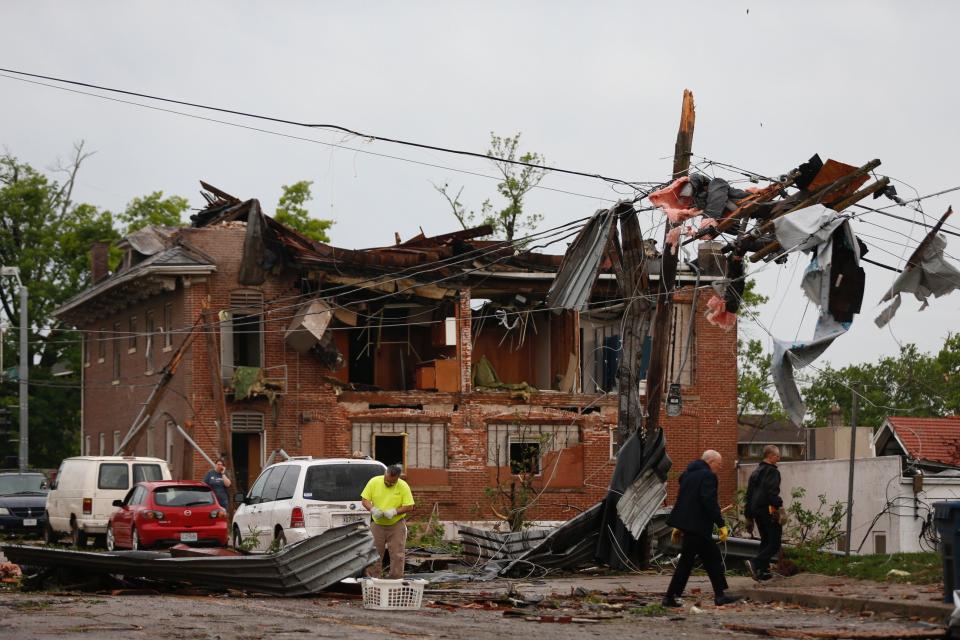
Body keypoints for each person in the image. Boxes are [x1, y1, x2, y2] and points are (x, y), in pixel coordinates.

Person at [662, 450, 740, 608]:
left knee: (698, 560)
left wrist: (679, 525)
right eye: (719, 465)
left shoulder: (687, 475)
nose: (720, 468)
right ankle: (719, 596)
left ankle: (672, 596)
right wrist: (721, 523)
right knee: (707, 560)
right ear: (710, 462)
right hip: (699, 527)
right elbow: (708, 501)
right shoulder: (708, 476)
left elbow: (684, 500)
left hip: (689, 526)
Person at [360, 464, 415, 579]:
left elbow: (409, 506)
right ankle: (373, 580)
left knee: (397, 554)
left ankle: (395, 580)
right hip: (377, 524)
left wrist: (395, 511)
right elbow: (365, 500)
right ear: (385, 474)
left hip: (396, 525)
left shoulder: (403, 486)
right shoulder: (374, 482)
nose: (389, 484)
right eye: (387, 481)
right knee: (375, 553)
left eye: (392, 483)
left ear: (398, 478)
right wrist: (372, 509)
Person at [744, 444, 783, 581]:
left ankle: (763, 572)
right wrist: (779, 505)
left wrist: (748, 516)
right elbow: (772, 493)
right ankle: (755, 563)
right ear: (771, 456)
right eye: (777, 456)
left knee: (765, 541)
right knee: (775, 542)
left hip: (756, 511)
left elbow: (748, 496)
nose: (779, 459)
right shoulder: (773, 472)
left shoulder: (755, 472)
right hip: (768, 510)